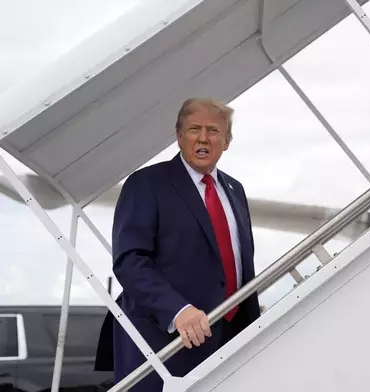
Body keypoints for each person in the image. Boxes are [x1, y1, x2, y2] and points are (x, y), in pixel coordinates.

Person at [94, 98, 260, 390]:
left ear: (227, 141)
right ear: (179, 136)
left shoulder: (235, 190)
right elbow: (130, 260)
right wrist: (178, 310)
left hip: (231, 341)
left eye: (213, 130)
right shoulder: (146, 183)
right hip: (163, 342)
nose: (203, 138)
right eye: (194, 128)